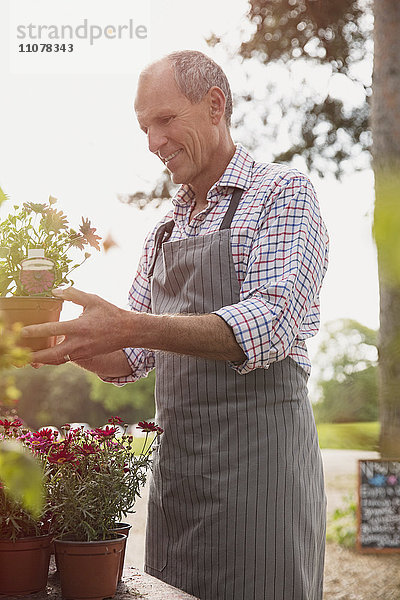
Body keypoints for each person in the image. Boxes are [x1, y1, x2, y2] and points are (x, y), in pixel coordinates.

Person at [23, 50, 329, 600]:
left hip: (260, 478)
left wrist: (130, 326)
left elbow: (271, 322)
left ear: (215, 106)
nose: (153, 141)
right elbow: (129, 356)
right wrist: (56, 340)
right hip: (179, 481)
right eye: (144, 127)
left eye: (165, 120)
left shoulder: (282, 194)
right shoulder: (163, 230)